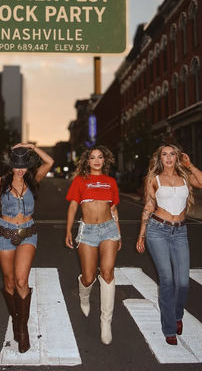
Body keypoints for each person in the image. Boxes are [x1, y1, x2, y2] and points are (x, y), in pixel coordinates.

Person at [136, 143, 202, 345]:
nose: (168, 157)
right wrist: (142, 234)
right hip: (157, 231)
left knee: (183, 281)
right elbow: (149, 206)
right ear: (159, 158)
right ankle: (169, 328)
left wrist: (190, 165)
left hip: (179, 232)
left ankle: (177, 315)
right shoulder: (154, 179)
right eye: (164, 154)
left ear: (177, 157)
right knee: (167, 280)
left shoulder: (185, 178)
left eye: (172, 154)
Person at [0, 143, 53, 353]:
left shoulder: (33, 181)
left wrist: (31, 146)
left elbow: (50, 162)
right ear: (10, 165)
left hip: (28, 234)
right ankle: (16, 318)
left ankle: (22, 329)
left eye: (24, 165)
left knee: (22, 280)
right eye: (16, 165)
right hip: (4, 234)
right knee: (10, 283)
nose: (20, 169)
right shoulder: (1, 182)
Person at [65, 146, 121, 345]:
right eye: (92, 157)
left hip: (109, 230)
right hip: (87, 231)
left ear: (104, 161)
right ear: (87, 161)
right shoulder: (80, 181)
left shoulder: (111, 182)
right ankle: (84, 294)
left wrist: (119, 233)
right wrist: (68, 231)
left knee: (107, 273)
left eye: (100, 157)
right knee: (89, 277)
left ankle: (106, 322)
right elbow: (73, 206)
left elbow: (113, 209)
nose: (96, 160)